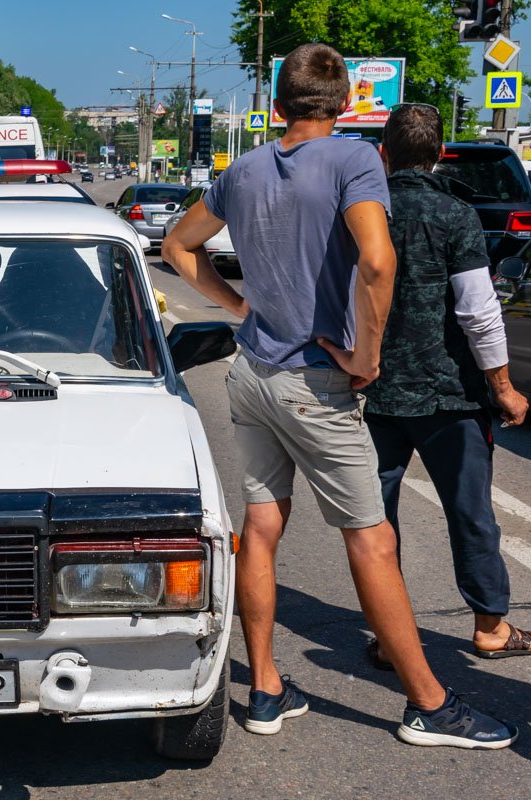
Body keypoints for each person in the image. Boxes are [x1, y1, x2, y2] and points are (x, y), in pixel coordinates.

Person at [161, 42, 515, 749]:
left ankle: (264, 689)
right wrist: (367, 353)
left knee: (260, 526)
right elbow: (378, 261)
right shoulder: (356, 160)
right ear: (348, 103)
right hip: (315, 383)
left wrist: (239, 307)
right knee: (373, 540)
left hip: (252, 372)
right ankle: (429, 705)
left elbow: (177, 246)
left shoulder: (244, 169)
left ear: (274, 105)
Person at [360, 103, 530, 668]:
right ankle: (489, 626)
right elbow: (480, 314)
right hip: (449, 396)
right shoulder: (455, 216)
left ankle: (389, 637)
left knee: (376, 518)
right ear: (438, 155)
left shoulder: (364, 214)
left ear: (384, 153)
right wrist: (503, 387)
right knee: (470, 511)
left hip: (374, 393)